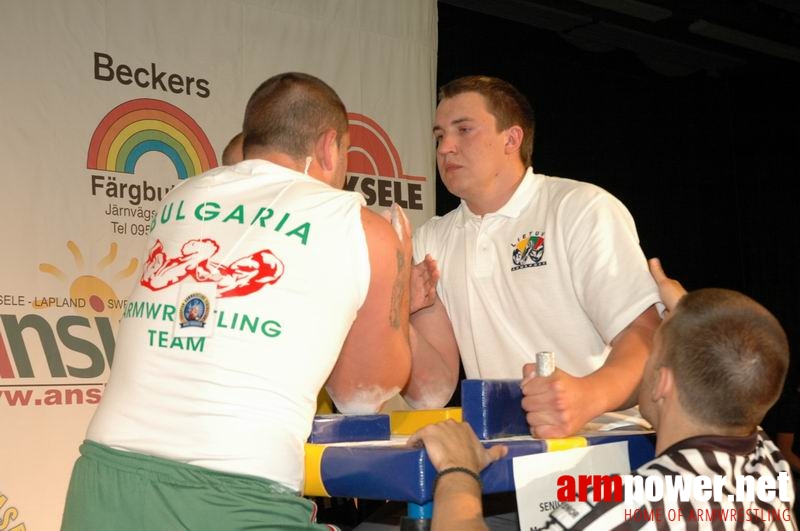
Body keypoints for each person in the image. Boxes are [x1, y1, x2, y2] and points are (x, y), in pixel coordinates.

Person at [60, 72, 414, 530]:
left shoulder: (182, 196)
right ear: (330, 146)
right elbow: (361, 396)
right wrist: (401, 303)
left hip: (102, 480)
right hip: (236, 494)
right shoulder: (358, 224)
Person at [409, 258, 796, 530]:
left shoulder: (623, 513)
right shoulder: (768, 474)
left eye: (653, 352)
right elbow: (737, 368)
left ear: (662, 382)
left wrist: (458, 473)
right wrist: (690, 315)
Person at [404, 75, 661, 440]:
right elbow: (431, 392)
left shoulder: (579, 208)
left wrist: (586, 397)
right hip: (507, 453)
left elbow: (647, 336)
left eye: (463, 130)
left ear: (511, 139)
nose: (446, 147)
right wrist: (403, 319)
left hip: (609, 443)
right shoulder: (431, 238)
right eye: (439, 136)